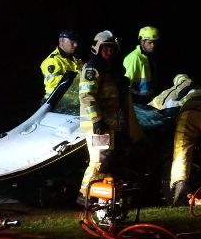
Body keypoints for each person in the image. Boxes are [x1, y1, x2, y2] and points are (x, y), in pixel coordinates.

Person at [78, 30, 145, 202]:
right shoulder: (93, 68)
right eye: (105, 48)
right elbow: (86, 96)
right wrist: (97, 120)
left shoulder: (109, 70)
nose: (109, 52)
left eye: (112, 48)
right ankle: (84, 194)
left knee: (106, 162)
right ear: (97, 49)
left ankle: (101, 196)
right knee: (99, 162)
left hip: (108, 124)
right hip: (98, 125)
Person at [40, 30, 83, 100]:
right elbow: (54, 84)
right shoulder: (53, 60)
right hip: (54, 104)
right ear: (62, 42)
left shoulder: (76, 59)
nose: (76, 45)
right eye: (72, 42)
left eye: (76, 42)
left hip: (70, 102)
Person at [123, 26, 161, 104]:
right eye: (149, 42)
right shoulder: (134, 58)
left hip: (148, 101)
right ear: (142, 41)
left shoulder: (149, 56)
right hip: (136, 103)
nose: (153, 45)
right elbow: (125, 85)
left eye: (155, 42)